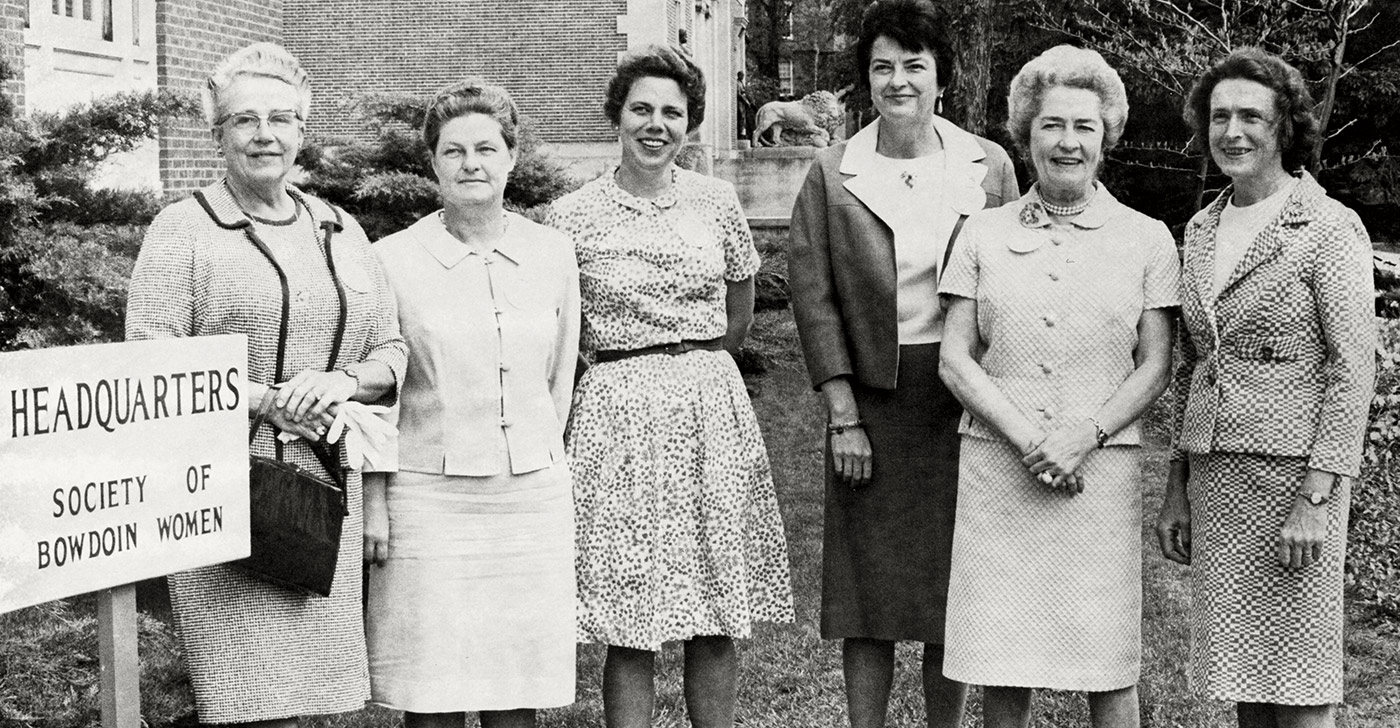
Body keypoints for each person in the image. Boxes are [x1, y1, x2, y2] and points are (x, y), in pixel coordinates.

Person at [125, 42, 406, 726]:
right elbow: (151, 358)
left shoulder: (340, 230)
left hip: (323, 491)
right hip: (224, 495)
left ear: (301, 133)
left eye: (281, 119)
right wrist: (268, 400)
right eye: (244, 120)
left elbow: (391, 352)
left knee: (318, 702)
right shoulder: (183, 230)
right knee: (247, 701)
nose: (264, 135)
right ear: (217, 132)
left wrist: (341, 381)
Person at [545, 43, 794, 728]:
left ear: (689, 124)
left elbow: (739, 302)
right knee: (632, 606)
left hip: (708, 406)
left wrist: (701, 360)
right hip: (617, 412)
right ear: (617, 118)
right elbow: (560, 327)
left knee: (713, 604)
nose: (657, 124)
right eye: (642, 109)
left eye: (673, 113)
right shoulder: (570, 217)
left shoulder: (716, 202)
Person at [786, 1, 1018, 726]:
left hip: (962, 398)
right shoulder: (833, 172)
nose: (898, 81)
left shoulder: (990, 165)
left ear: (940, 78)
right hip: (873, 402)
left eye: (914, 65)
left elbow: (1015, 275)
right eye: (883, 66)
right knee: (870, 596)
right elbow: (813, 294)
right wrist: (843, 415)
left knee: (950, 591)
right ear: (866, 79)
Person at [936, 45, 1179, 728]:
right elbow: (956, 359)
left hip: (1100, 471)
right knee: (1001, 660)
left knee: (1106, 662)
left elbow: (1155, 364)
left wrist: (1083, 435)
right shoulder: (982, 233)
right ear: (1027, 133)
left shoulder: (1147, 238)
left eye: (1084, 127)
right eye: (1052, 126)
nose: (1068, 143)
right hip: (997, 468)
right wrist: (1028, 439)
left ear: (1106, 138)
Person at [1156, 47, 1374, 728]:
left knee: (1302, 678)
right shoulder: (1201, 227)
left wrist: (1316, 497)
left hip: (1296, 483)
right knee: (1242, 670)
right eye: (1219, 116)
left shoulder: (1330, 228)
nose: (1233, 132)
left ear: (1285, 127)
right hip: (1219, 480)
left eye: (1251, 115)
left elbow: (1352, 371)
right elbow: (1194, 365)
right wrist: (1176, 489)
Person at [363, 80, 580, 728]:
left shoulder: (553, 255)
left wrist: (537, 460)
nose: (472, 163)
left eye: (487, 147)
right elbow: (377, 393)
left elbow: (559, 375)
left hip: (528, 504)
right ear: (432, 162)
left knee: (515, 687)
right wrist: (376, 498)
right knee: (432, 692)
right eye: (454, 150)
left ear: (512, 157)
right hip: (426, 502)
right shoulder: (391, 261)